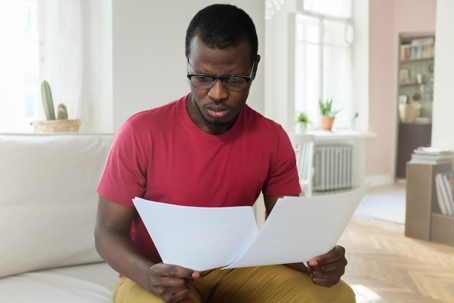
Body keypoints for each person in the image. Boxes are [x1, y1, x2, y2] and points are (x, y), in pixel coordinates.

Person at [95, 4, 355, 303]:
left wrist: (319, 262)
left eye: (233, 79)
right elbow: (107, 231)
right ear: (188, 63)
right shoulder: (141, 132)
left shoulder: (272, 138)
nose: (217, 93)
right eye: (202, 77)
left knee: (335, 296)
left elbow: (286, 240)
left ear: (253, 68)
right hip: (156, 275)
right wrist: (149, 276)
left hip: (235, 269)